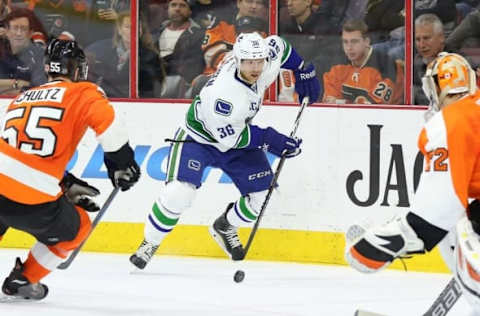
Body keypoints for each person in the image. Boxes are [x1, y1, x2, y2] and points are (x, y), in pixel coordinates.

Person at [129, 32, 320, 269]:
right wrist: (272, 139)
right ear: (237, 60)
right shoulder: (224, 93)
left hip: (237, 135)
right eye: (249, 62)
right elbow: (232, 138)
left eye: (259, 61)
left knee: (264, 199)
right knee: (179, 193)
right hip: (200, 139)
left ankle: (225, 225)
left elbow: (279, 44)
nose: (256, 67)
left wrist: (302, 69)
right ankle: (150, 242)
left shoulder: (265, 59)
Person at [0, 39, 140, 300]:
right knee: (78, 228)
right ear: (77, 70)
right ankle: (23, 280)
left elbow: (18, 154)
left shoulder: (21, 98)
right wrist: (123, 164)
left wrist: (63, 182)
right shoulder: (83, 92)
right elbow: (109, 126)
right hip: (32, 197)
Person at [344, 52, 480, 313]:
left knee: (460, 231)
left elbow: (435, 215)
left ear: (436, 89)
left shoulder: (451, 122)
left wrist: (387, 242)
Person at [322, 19, 404, 105]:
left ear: (366, 42)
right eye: (345, 42)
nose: (349, 48)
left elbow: (372, 107)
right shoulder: (337, 66)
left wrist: (340, 101)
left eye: (354, 42)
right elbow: (329, 103)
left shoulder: (387, 66)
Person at [153, 0, 205, 98]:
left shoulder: (199, 35)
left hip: (181, 89)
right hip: (155, 84)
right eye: (173, 5)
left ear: (190, 11)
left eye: (182, 5)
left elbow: (192, 66)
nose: (177, 9)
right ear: (167, 9)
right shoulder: (156, 33)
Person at [0, 8, 47, 96]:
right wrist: (18, 83)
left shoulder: (39, 55)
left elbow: (38, 90)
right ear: (7, 31)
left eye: (23, 29)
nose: (19, 33)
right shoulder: (1, 52)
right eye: (15, 28)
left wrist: (5, 87)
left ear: (30, 33)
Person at [85, 11, 131, 98]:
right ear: (119, 30)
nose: (132, 31)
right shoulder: (102, 50)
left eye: (136, 27)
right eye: (127, 27)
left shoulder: (147, 55)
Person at [413, 13, 445, 105]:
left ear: (441, 37)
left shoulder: (457, 63)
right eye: (418, 40)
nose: (421, 45)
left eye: (426, 38)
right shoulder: (414, 64)